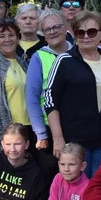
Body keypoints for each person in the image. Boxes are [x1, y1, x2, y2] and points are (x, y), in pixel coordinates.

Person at [44, 11, 101, 176]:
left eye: (92, 31)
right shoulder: (64, 61)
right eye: (81, 32)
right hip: (75, 142)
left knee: (100, 190)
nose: (86, 36)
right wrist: (58, 138)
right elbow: (50, 101)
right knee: (76, 192)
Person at [26, 9, 72, 150]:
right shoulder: (38, 57)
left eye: (56, 27)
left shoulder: (78, 53)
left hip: (77, 127)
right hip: (49, 129)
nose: (52, 32)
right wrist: (41, 134)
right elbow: (32, 98)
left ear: (65, 28)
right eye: (47, 29)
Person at [0, 20, 31, 146]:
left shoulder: (24, 63)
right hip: (8, 134)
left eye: (11, 35)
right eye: (2, 36)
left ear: (18, 38)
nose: (7, 40)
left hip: (29, 129)